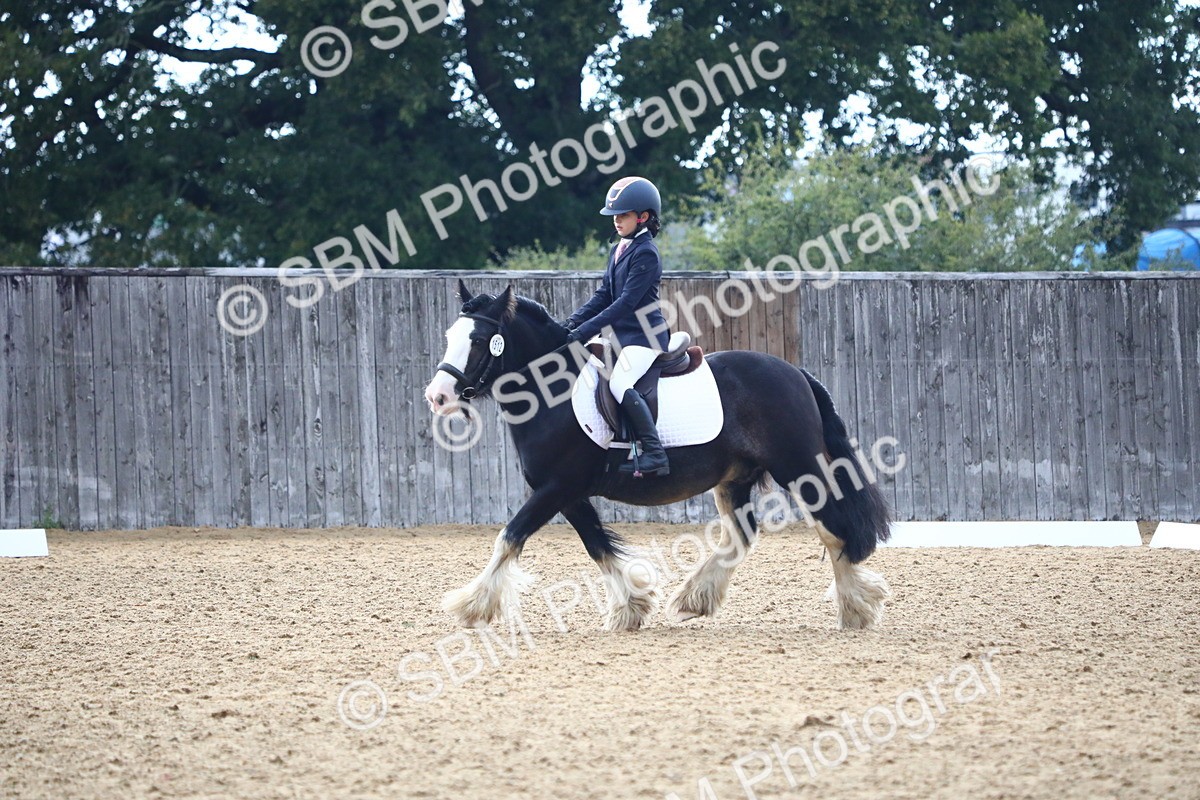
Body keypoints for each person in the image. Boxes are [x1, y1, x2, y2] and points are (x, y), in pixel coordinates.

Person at [563, 176, 671, 477]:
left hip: (644, 337)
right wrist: (572, 321)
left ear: (643, 217)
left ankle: (655, 453)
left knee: (620, 383)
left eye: (622, 215)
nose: (617, 221)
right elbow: (603, 296)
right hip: (622, 337)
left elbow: (624, 303)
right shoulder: (619, 250)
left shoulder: (646, 253)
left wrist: (584, 332)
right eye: (615, 216)